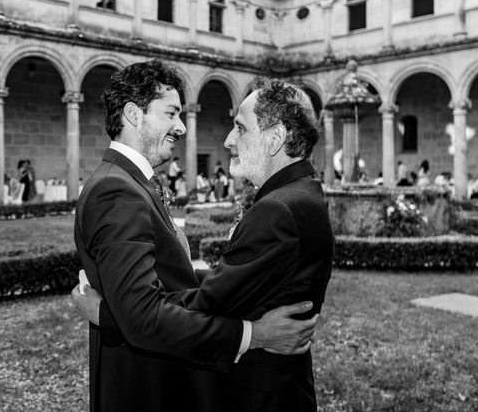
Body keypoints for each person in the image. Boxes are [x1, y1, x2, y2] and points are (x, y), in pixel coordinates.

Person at [72, 60, 319, 412]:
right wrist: (255, 334)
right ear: (133, 114)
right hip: (141, 387)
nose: (182, 127)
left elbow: (163, 284)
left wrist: (111, 314)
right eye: (171, 114)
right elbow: (142, 316)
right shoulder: (115, 189)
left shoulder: (127, 183)